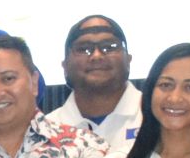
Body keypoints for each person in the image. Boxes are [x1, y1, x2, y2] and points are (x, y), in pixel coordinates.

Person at [46, 15, 141, 144]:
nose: (97, 56)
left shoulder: (157, 117)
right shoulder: (45, 132)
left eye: (109, 47)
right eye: (84, 49)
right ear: (65, 66)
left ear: (128, 60)